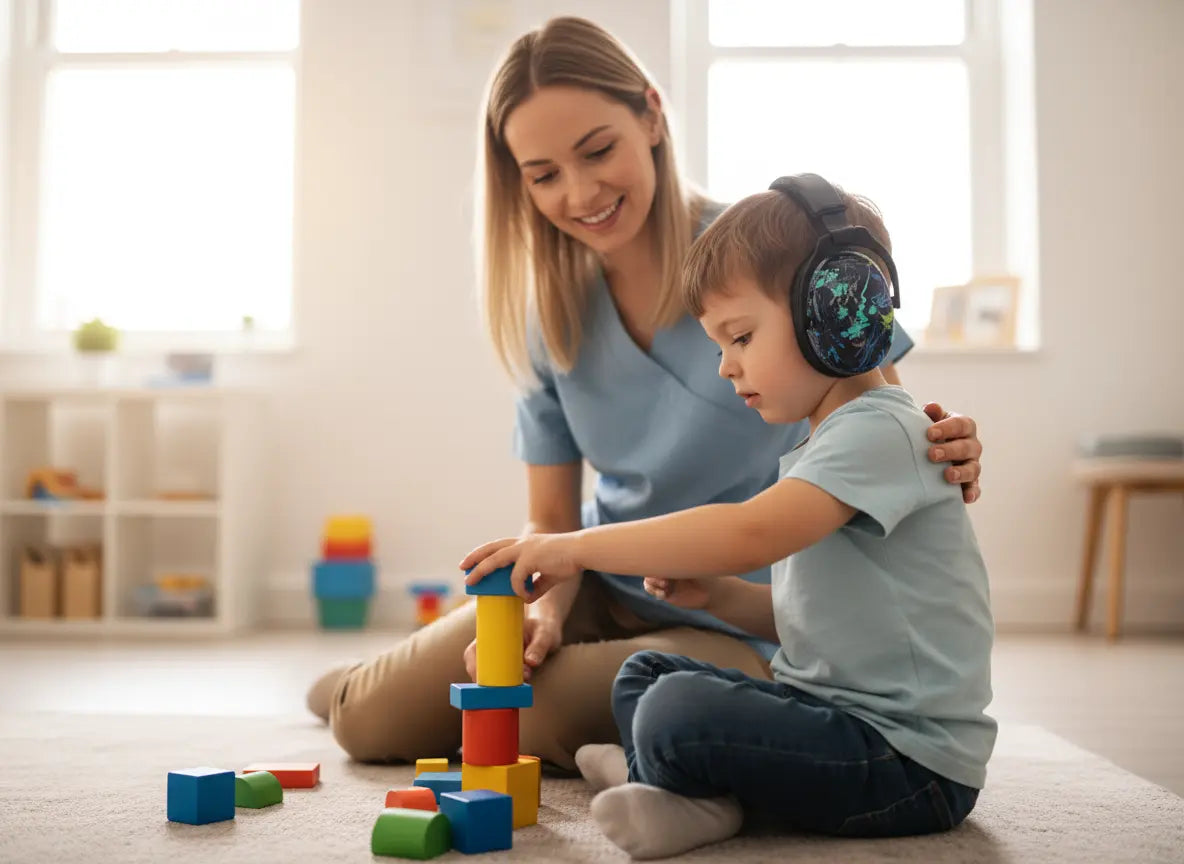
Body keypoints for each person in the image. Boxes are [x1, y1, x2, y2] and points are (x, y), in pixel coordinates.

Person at [306, 16, 986, 771]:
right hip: (605, 582)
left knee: (531, 717)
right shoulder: (550, 310)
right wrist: (546, 613)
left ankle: (403, 689)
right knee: (367, 725)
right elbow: (553, 519)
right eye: (544, 174)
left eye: (598, 151)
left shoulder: (772, 259)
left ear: (652, 116)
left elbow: (873, 410)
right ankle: (364, 691)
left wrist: (942, 440)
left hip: (744, 618)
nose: (581, 192)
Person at [461, 176, 996, 859]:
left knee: (676, 710)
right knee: (647, 676)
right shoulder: (828, 442)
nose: (725, 367)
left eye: (739, 337)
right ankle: (689, 798)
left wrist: (577, 549)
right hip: (836, 716)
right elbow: (818, 624)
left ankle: (684, 791)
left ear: (833, 311)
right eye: (719, 345)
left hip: (907, 763)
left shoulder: (880, 433)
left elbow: (748, 532)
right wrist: (718, 599)